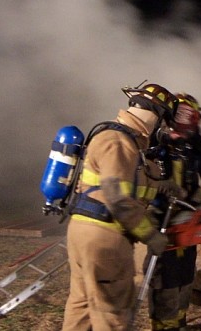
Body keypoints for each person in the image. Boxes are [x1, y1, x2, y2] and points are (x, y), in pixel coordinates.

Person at [62, 82, 186, 331]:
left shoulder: (123, 140)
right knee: (113, 315)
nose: (161, 129)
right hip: (105, 239)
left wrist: (162, 185)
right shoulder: (119, 141)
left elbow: (130, 183)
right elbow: (117, 198)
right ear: (156, 115)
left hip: (84, 232)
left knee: (83, 306)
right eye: (163, 122)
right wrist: (150, 235)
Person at [146, 92, 201, 331]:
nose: (181, 132)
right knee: (165, 284)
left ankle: (179, 324)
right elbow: (137, 180)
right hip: (160, 224)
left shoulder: (197, 144)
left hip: (187, 221)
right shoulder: (152, 142)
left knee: (185, 281)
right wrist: (158, 192)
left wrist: (199, 198)